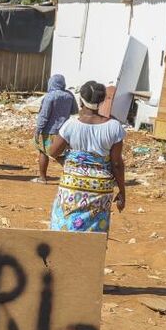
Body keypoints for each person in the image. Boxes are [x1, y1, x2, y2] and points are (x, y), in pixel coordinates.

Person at [48, 81, 126, 233]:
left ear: (80, 100)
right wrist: (122, 191)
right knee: (95, 233)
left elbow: (53, 151)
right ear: (102, 101)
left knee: (65, 229)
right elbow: (117, 164)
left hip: (72, 187)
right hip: (100, 189)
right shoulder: (114, 126)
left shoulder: (70, 125)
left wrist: (71, 162)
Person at [33, 74, 78, 183]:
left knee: (43, 152)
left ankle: (42, 178)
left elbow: (44, 115)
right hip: (64, 131)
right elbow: (74, 111)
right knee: (61, 154)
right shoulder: (69, 95)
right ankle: (74, 174)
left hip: (49, 130)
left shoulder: (49, 96)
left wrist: (38, 129)